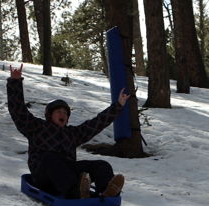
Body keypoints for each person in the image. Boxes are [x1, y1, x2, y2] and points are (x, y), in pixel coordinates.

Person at [7, 64, 130, 199]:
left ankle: (107, 191)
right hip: (44, 176)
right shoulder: (36, 127)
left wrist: (118, 106)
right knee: (51, 158)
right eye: (59, 111)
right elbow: (18, 111)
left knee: (101, 165)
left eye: (65, 113)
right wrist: (15, 82)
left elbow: (97, 123)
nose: (63, 114)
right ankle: (76, 191)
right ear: (50, 115)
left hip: (67, 173)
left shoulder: (72, 134)